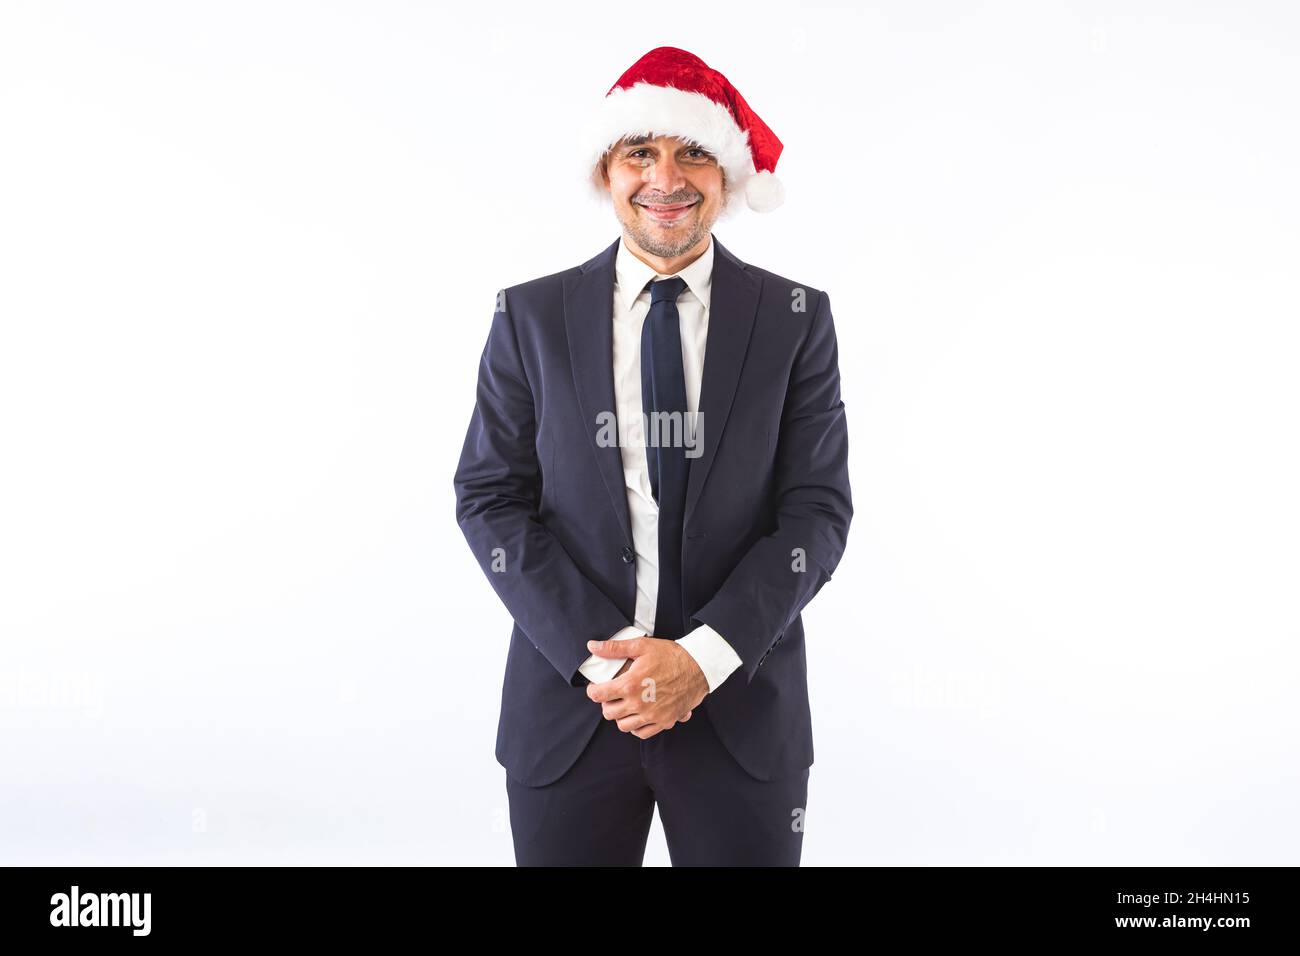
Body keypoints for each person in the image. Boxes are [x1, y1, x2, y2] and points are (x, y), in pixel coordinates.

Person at [454, 46, 852, 866]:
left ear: (728, 177)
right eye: (641, 152)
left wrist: (700, 661)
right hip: (574, 711)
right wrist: (607, 662)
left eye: (693, 153)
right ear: (607, 171)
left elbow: (817, 512)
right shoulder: (529, 317)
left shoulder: (794, 319)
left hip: (741, 714)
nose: (665, 178)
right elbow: (491, 497)